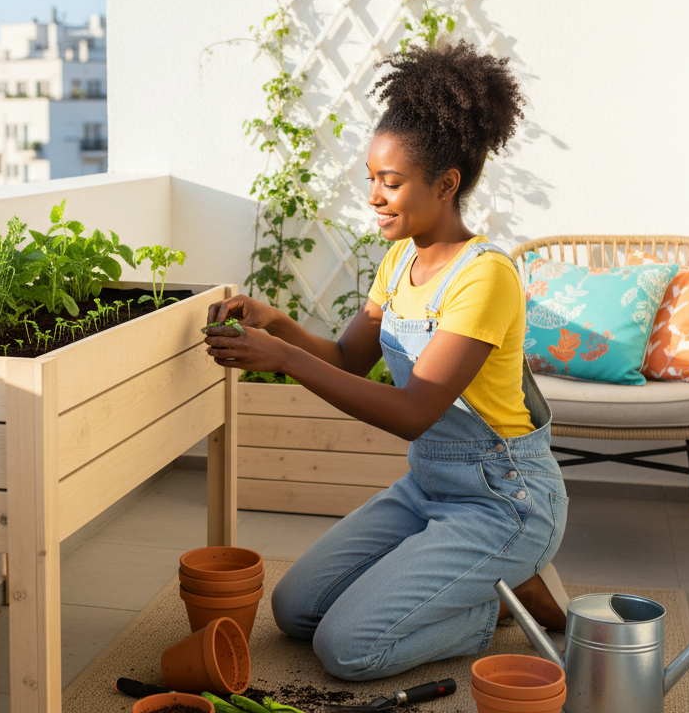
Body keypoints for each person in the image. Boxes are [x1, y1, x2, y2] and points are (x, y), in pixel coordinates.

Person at [202, 38, 569, 682]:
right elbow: (347, 357)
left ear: (446, 183)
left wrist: (282, 359)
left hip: (502, 500)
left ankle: (499, 597)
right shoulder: (401, 259)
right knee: (296, 611)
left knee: (348, 647)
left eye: (390, 182)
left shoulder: (484, 277)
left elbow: (413, 412)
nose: (373, 195)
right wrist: (278, 324)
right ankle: (484, 579)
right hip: (427, 487)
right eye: (370, 178)